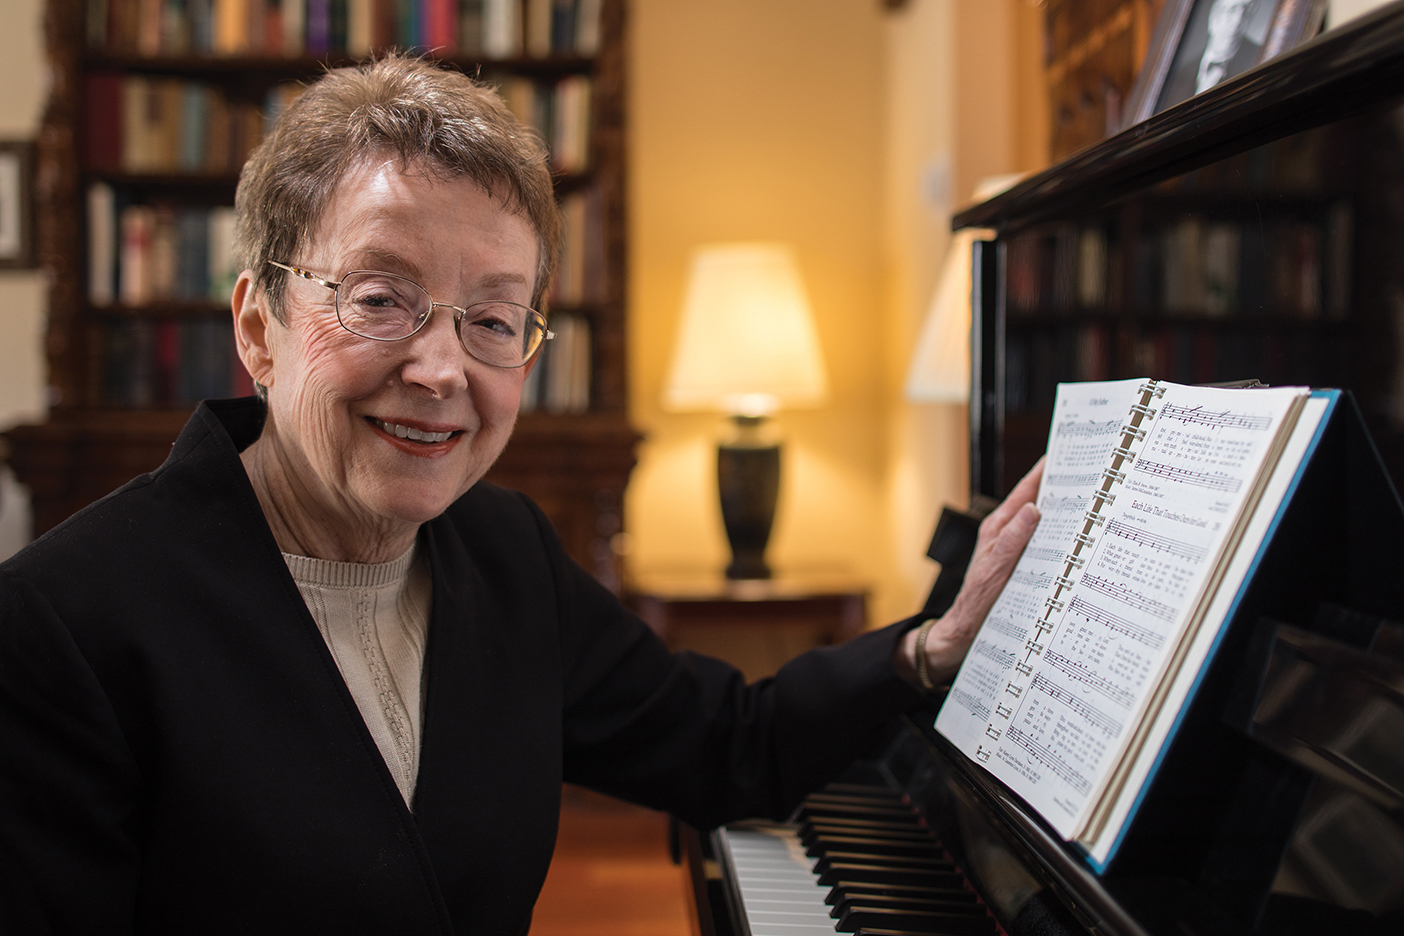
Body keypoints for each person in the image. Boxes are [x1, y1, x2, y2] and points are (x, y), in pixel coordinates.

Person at [0, 54, 1041, 934]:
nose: (442, 369)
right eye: (380, 300)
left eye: (494, 320)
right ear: (258, 325)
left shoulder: (505, 552)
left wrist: (928, 649)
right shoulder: (61, 623)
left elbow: (728, 746)